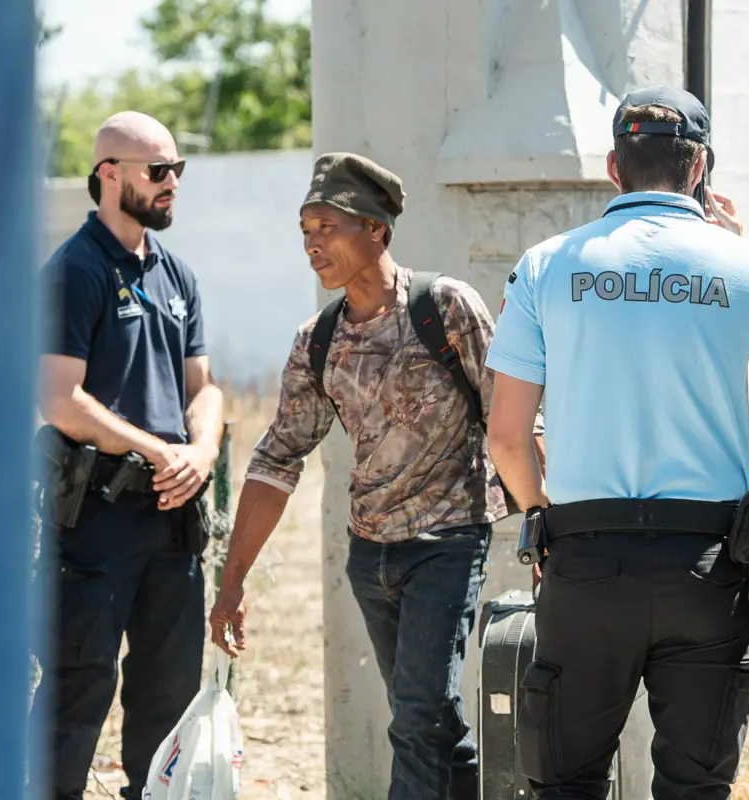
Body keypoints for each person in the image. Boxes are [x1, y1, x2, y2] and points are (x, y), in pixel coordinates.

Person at [484, 85, 749, 800]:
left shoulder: (547, 265)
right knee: (695, 787)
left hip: (585, 562)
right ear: (700, 167)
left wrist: (541, 521)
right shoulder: (748, 266)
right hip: (708, 570)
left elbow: (506, 437)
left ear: (615, 169)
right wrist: (743, 267)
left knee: (567, 780)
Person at [207, 152, 544, 800]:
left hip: (448, 544)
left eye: (327, 226)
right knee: (433, 721)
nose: (312, 244)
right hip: (371, 557)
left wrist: (543, 526)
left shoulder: (445, 308)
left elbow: (515, 419)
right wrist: (233, 581)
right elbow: (277, 458)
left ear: (376, 229)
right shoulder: (319, 340)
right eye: (305, 229)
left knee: (415, 719)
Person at [34, 110, 224, 799]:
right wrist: (158, 450)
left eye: (178, 169)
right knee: (77, 690)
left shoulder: (177, 274)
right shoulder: (75, 271)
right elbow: (62, 398)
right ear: (109, 175)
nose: (173, 183)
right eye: (158, 171)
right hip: (97, 516)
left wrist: (199, 451)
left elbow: (203, 388)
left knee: (168, 691)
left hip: (172, 518)